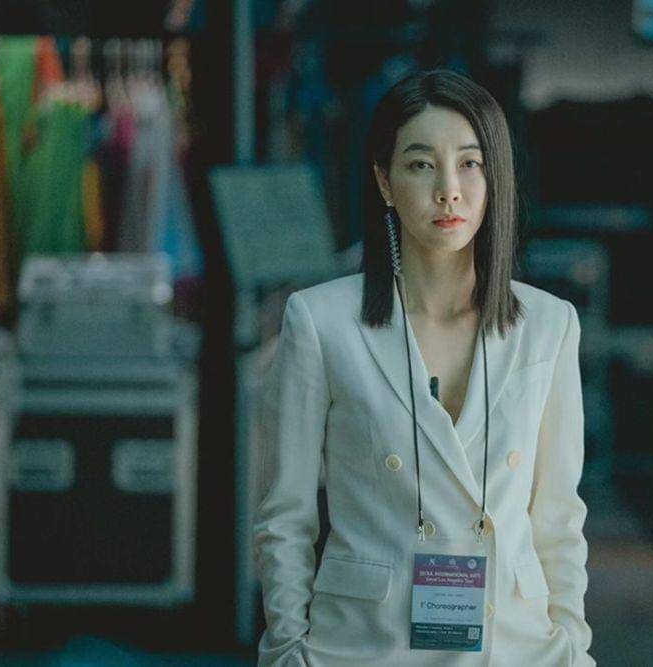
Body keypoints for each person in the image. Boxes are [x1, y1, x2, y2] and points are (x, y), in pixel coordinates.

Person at [253, 68, 595, 666]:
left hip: (515, 649)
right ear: (384, 181)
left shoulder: (549, 324)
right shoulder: (321, 322)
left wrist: (571, 645)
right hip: (362, 647)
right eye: (420, 164)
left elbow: (559, 517)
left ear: (495, 177)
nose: (448, 190)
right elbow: (285, 515)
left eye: (469, 163)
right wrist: (288, 649)